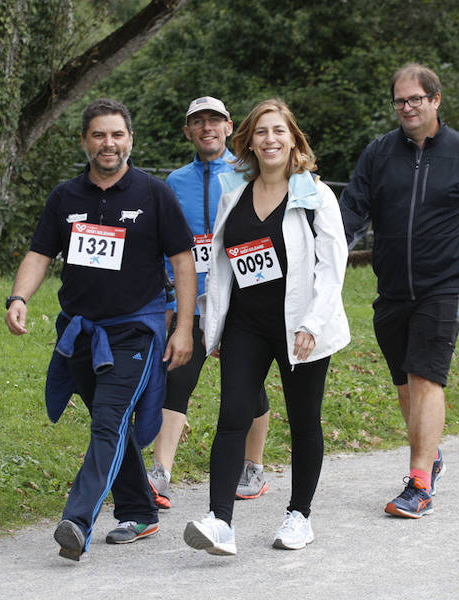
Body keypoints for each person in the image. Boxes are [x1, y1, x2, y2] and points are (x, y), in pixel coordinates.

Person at [4, 98, 196, 561]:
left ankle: (78, 520)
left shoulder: (153, 194)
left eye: (116, 135)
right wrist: (18, 297)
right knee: (108, 424)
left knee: (109, 420)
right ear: (85, 141)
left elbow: (183, 261)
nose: (107, 144)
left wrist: (184, 328)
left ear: (130, 139)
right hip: (80, 332)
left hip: (135, 331)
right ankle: (140, 510)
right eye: (98, 135)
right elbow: (40, 253)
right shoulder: (65, 197)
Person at [183, 98, 349, 554]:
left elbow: (331, 269)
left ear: (293, 139)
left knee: (303, 421)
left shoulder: (315, 196)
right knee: (232, 415)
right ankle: (220, 522)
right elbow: (220, 268)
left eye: (279, 131)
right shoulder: (235, 196)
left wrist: (313, 323)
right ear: (249, 142)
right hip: (246, 326)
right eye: (261, 132)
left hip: (301, 328)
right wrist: (213, 327)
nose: (270, 139)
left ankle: (299, 515)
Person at [340, 63, 459, 519]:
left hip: (444, 283)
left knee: (426, 376)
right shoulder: (378, 153)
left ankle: (418, 483)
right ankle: (430, 456)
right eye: (400, 100)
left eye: (415, 99)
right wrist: (325, 249)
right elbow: (352, 209)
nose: (407, 107)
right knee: (405, 383)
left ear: (435, 100)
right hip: (391, 286)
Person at [148, 97, 271, 509]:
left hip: (241, 301)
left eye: (214, 121)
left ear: (228, 127)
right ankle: (159, 473)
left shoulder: (248, 173)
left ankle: (252, 466)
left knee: (248, 387)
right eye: (197, 122)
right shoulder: (173, 181)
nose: (207, 128)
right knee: (176, 378)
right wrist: (167, 298)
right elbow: (165, 245)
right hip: (190, 302)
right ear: (188, 131)